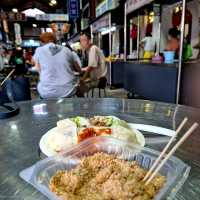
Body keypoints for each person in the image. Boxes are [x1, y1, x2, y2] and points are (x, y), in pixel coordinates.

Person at [33, 32, 82, 99]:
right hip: (68, 91)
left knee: (41, 87)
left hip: (46, 92)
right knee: (78, 87)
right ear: (55, 40)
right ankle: (85, 105)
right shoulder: (67, 50)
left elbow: (38, 69)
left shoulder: (39, 50)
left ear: (42, 42)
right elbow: (78, 70)